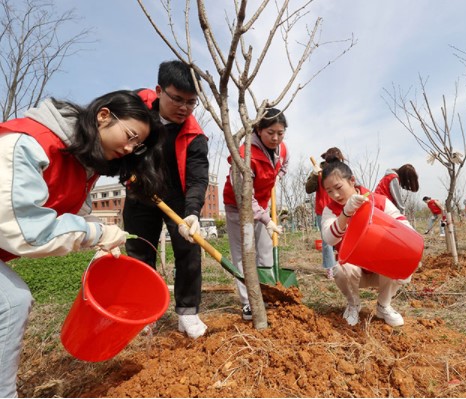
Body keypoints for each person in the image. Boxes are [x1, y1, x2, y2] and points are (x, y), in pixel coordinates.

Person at [0, 90, 164, 398]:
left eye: (137, 145)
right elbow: (26, 230)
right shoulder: (28, 143)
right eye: (130, 136)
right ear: (104, 116)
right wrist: (98, 233)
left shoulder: (81, 163)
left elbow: (73, 215)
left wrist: (99, 237)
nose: (129, 148)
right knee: (10, 302)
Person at [123, 60, 210, 338]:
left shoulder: (195, 135)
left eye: (191, 102)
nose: (184, 108)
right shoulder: (134, 109)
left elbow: (198, 178)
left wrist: (193, 212)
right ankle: (145, 313)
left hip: (178, 197)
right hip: (140, 191)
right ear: (160, 90)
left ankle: (188, 313)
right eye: (177, 99)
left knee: (189, 251)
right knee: (139, 252)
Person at [321, 161, 414, 327]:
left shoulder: (378, 201)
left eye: (338, 187)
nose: (335, 195)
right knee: (339, 269)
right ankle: (353, 304)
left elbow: (404, 225)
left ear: (351, 180)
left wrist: (411, 248)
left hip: (381, 269)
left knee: (404, 265)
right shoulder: (330, 210)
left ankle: (383, 305)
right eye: (329, 191)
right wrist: (345, 214)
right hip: (354, 271)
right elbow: (329, 238)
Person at [223, 108, 289, 320]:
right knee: (243, 253)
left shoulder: (282, 149)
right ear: (259, 130)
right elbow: (244, 197)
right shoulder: (244, 155)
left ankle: (268, 294)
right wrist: (267, 219)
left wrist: (277, 177)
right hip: (238, 206)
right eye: (271, 132)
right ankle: (248, 302)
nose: (276, 138)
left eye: (281, 132)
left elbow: (284, 163)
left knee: (265, 251)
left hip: (261, 203)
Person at [305, 147, 344, 279]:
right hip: (323, 210)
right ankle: (330, 268)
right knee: (327, 240)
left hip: (339, 209)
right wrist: (315, 175)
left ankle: (342, 264)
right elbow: (308, 189)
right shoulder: (319, 172)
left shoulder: (340, 171)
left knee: (342, 237)